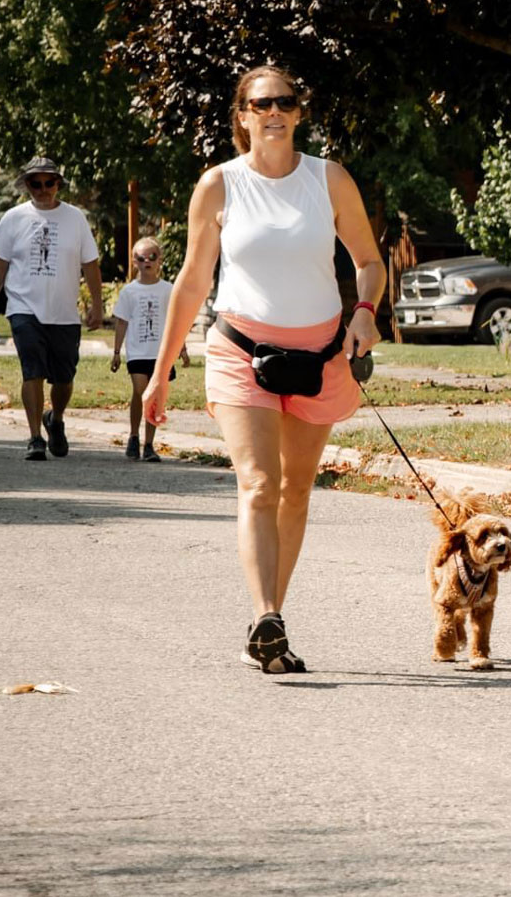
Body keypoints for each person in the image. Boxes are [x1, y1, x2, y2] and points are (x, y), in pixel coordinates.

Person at [144, 66, 385, 676]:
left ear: (298, 113)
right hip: (240, 350)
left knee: (296, 489)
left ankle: (268, 622)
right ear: (242, 116)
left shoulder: (328, 179)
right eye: (261, 103)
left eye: (285, 101)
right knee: (258, 482)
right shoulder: (219, 185)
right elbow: (192, 281)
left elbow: (368, 260)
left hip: (320, 355)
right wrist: (161, 371)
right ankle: (266, 616)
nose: (274, 111)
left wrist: (364, 312)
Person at [0, 157, 105, 460]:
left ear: (58, 184)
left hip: (64, 313)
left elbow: (90, 264)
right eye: (36, 184)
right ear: (27, 185)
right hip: (23, 308)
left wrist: (97, 305)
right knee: (31, 370)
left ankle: (55, 419)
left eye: (49, 183)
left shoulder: (75, 218)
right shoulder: (13, 218)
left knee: (64, 378)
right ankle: (35, 437)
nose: (43, 189)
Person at [110, 236, 189, 462]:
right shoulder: (129, 292)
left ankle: (148, 444)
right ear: (134, 261)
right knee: (140, 390)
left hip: (160, 353)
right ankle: (134, 435)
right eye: (141, 258)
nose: (147, 261)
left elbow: (177, 321)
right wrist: (116, 352)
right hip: (137, 352)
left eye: (152, 257)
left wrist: (182, 349)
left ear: (159, 260)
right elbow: (122, 322)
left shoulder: (169, 290)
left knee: (154, 397)